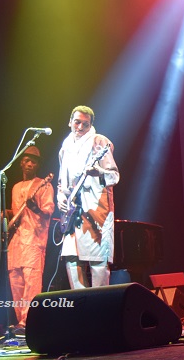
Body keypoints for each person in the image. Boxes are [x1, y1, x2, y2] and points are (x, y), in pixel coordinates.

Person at [57, 105, 120, 288]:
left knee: (97, 262)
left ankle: (100, 304)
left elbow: (114, 176)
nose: (80, 127)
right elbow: (61, 183)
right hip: (72, 214)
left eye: (85, 124)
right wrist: (60, 197)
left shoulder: (99, 141)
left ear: (91, 125)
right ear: (70, 122)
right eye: (77, 122)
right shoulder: (65, 147)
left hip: (96, 212)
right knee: (71, 260)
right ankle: (80, 303)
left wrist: (98, 172)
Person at [7, 145, 55, 327]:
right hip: (16, 242)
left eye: (33, 162)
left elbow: (48, 211)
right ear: (21, 163)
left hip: (34, 240)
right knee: (16, 281)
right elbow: (17, 213)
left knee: (31, 281)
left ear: (38, 165)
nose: (29, 164)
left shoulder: (44, 185)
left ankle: (29, 322)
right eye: (26, 160)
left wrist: (35, 208)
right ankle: (20, 321)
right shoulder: (15, 187)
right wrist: (7, 215)